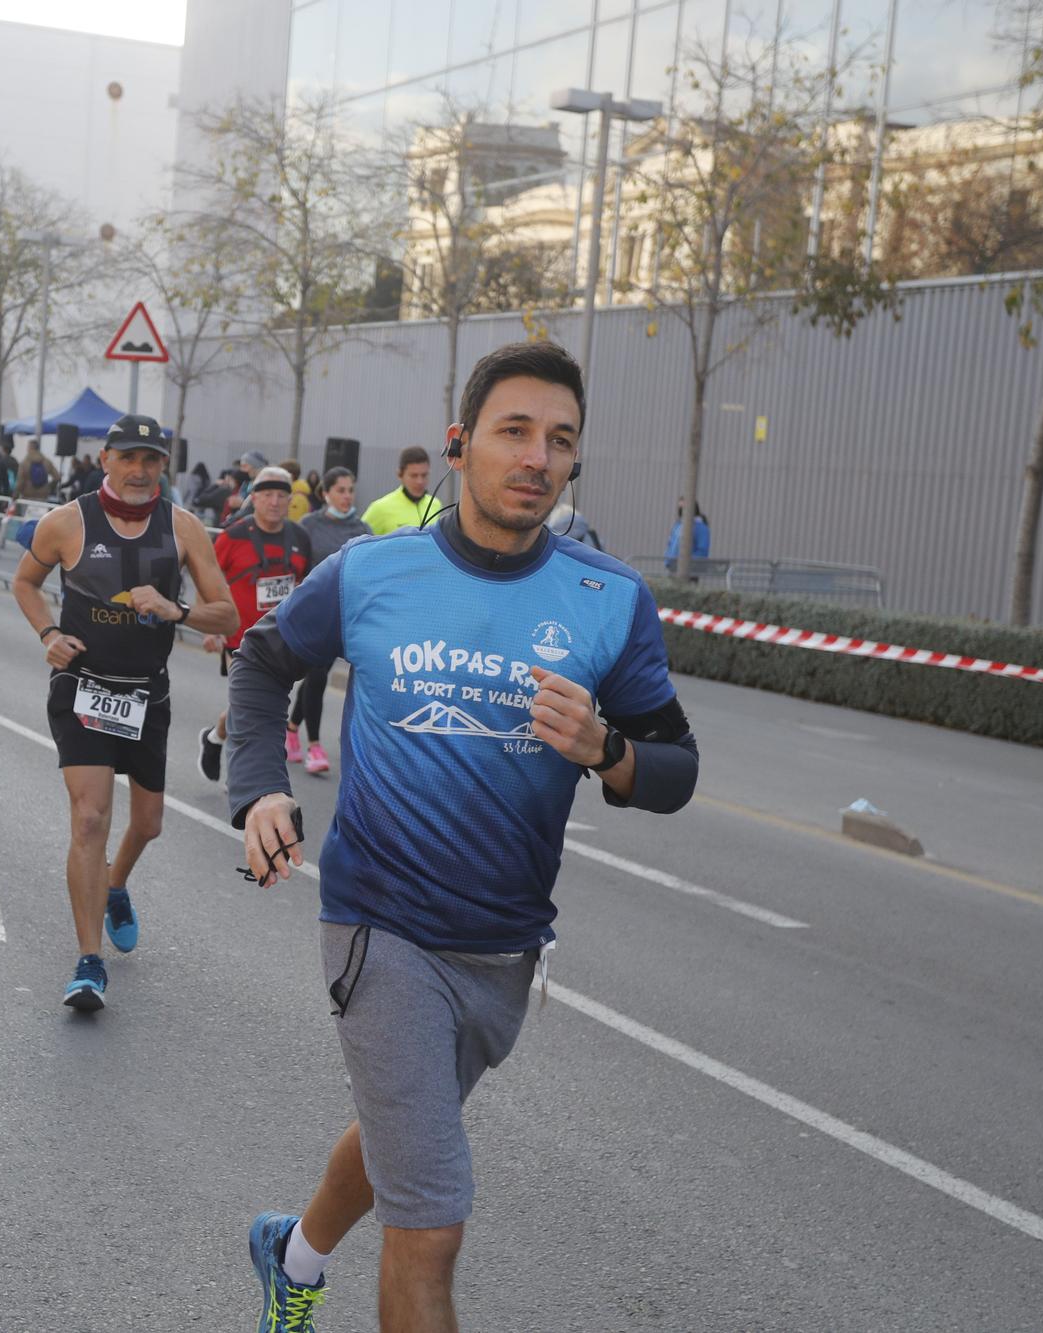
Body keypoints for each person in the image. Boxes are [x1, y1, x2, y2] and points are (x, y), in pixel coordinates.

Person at [227, 340, 700, 1330]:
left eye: (558, 440)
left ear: (573, 461)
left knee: (402, 1139)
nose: (534, 456)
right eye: (513, 431)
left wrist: (605, 747)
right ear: (459, 445)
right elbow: (263, 664)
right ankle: (307, 1264)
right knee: (430, 1223)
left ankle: (291, 1253)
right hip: (379, 927)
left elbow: (673, 768)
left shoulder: (606, 599)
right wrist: (258, 791)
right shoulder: (370, 571)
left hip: (504, 947)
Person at [12, 413, 238, 1011]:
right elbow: (25, 583)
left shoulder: (184, 528)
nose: (140, 471)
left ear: (163, 465)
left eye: (152, 459)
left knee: (150, 823)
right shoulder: (66, 522)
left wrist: (175, 610)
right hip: (82, 688)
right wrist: (48, 634)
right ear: (107, 459)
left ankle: (116, 884)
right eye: (129, 458)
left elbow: (228, 615)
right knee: (90, 820)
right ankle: (89, 963)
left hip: (146, 693)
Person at [196, 466, 312, 783]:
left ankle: (215, 738)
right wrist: (211, 627)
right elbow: (208, 581)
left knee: (253, 707)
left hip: (283, 638)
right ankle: (245, 781)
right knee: (251, 709)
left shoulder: (300, 537)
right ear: (255, 498)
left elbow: (306, 589)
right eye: (268, 495)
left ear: (290, 500)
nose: (275, 502)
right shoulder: (233, 536)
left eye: (281, 495)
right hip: (240, 637)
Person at [287, 466, 370, 774]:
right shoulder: (309, 524)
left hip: (346, 616)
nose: (347, 496)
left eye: (350, 490)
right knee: (317, 676)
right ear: (325, 494)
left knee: (314, 678)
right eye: (341, 490)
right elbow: (296, 566)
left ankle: (292, 728)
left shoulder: (363, 528)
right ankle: (315, 746)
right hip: (314, 613)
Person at [359, 445, 443, 536]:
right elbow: (357, 543)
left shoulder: (435, 504)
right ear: (400, 475)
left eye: (424, 475)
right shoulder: (380, 508)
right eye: (413, 476)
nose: (420, 481)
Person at [664, 498, 711, 572]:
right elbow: (670, 544)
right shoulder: (678, 525)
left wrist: (686, 563)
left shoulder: (701, 528)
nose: (680, 510)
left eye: (683, 508)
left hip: (690, 570)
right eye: (679, 507)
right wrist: (668, 560)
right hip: (673, 567)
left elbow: (702, 551)